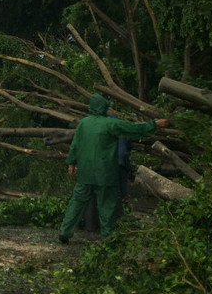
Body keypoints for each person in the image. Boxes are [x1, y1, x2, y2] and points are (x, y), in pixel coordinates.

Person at [59, 93, 170, 243]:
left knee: (77, 202)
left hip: (85, 172)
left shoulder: (83, 123)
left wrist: (72, 163)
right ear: (103, 106)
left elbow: (75, 145)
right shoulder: (110, 123)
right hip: (105, 172)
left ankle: (65, 232)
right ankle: (107, 238)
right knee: (107, 206)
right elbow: (134, 128)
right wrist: (155, 124)